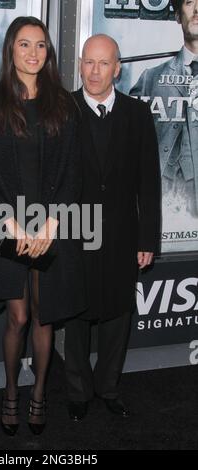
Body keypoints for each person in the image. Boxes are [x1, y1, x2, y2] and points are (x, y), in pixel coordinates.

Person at [0, 16, 87, 436]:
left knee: (44, 315)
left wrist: (53, 222)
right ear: (10, 50)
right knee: (17, 317)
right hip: (8, 224)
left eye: (40, 45)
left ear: (48, 52)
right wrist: (12, 224)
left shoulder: (63, 104)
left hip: (52, 224)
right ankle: (11, 392)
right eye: (24, 45)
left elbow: (75, 167)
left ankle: (39, 393)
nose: (33, 53)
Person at [64, 34, 161, 421]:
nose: (94, 71)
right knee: (76, 316)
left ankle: (108, 387)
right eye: (88, 62)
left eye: (103, 63)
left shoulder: (137, 114)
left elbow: (148, 183)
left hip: (122, 234)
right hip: (73, 231)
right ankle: (77, 392)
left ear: (117, 69)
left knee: (118, 315)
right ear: (80, 65)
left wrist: (147, 238)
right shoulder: (64, 108)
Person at [130, 0, 198, 218]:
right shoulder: (151, 77)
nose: (197, 10)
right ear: (178, 16)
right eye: (190, 3)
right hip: (162, 203)